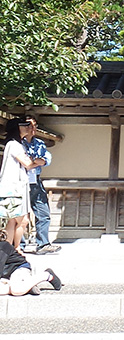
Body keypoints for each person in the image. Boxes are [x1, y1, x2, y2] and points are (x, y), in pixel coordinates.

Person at [0, 119, 42, 252]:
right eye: (24, 126)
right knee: (21, 220)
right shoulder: (14, 145)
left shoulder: (17, 144)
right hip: (13, 188)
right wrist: (39, 162)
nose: (27, 128)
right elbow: (27, 164)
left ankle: (10, 250)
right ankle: (14, 249)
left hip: (18, 187)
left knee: (15, 220)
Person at [22, 117, 60, 254]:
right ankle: (19, 245)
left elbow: (46, 159)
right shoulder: (18, 144)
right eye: (31, 126)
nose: (34, 129)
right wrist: (35, 161)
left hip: (35, 180)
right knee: (20, 214)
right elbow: (25, 161)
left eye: (35, 126)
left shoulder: (39, 143)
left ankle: (43, 244)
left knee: (43, 211)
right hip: (21, 179)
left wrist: (36, 161)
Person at [0, 229, 62, 295]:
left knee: (16, 290)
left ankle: (46, 275)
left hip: (18, 268)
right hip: (6, 276)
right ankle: (27, 285)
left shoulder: (3, 246)